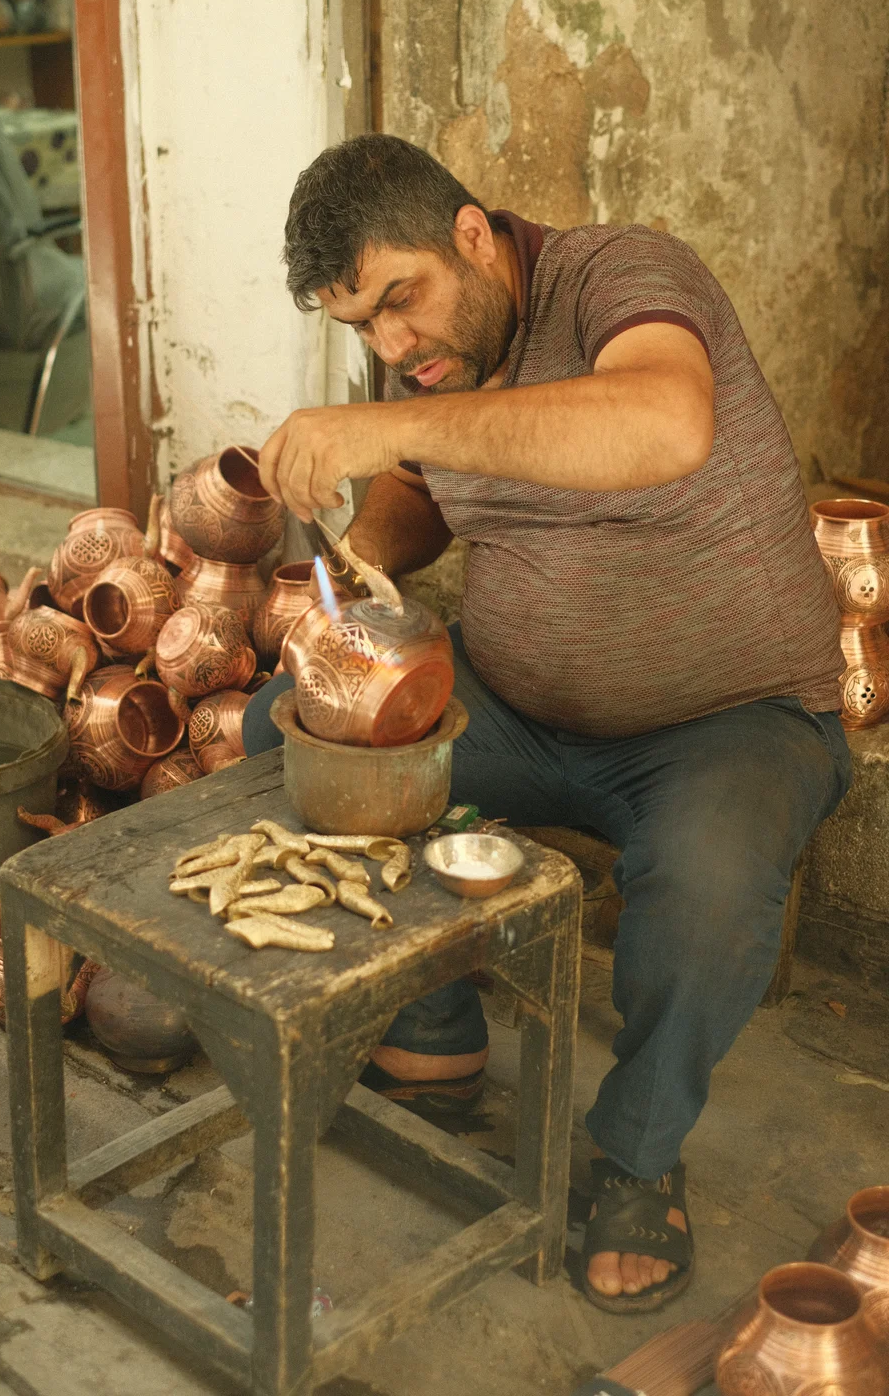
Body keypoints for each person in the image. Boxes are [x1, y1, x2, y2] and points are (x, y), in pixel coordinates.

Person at [241, 134, 851, 1313]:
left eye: (400, 301)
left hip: (729, 721)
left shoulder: (623, 277)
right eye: (360, 326)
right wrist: (352, 550)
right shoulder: (423, 368)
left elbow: (661, 425)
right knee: (293, 733)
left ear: (472, 234)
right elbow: (420, 496)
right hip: (519, 709)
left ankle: (633, 1157)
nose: (391, 346)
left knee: (711, 877)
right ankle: (432, 1025)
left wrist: (378, 432)